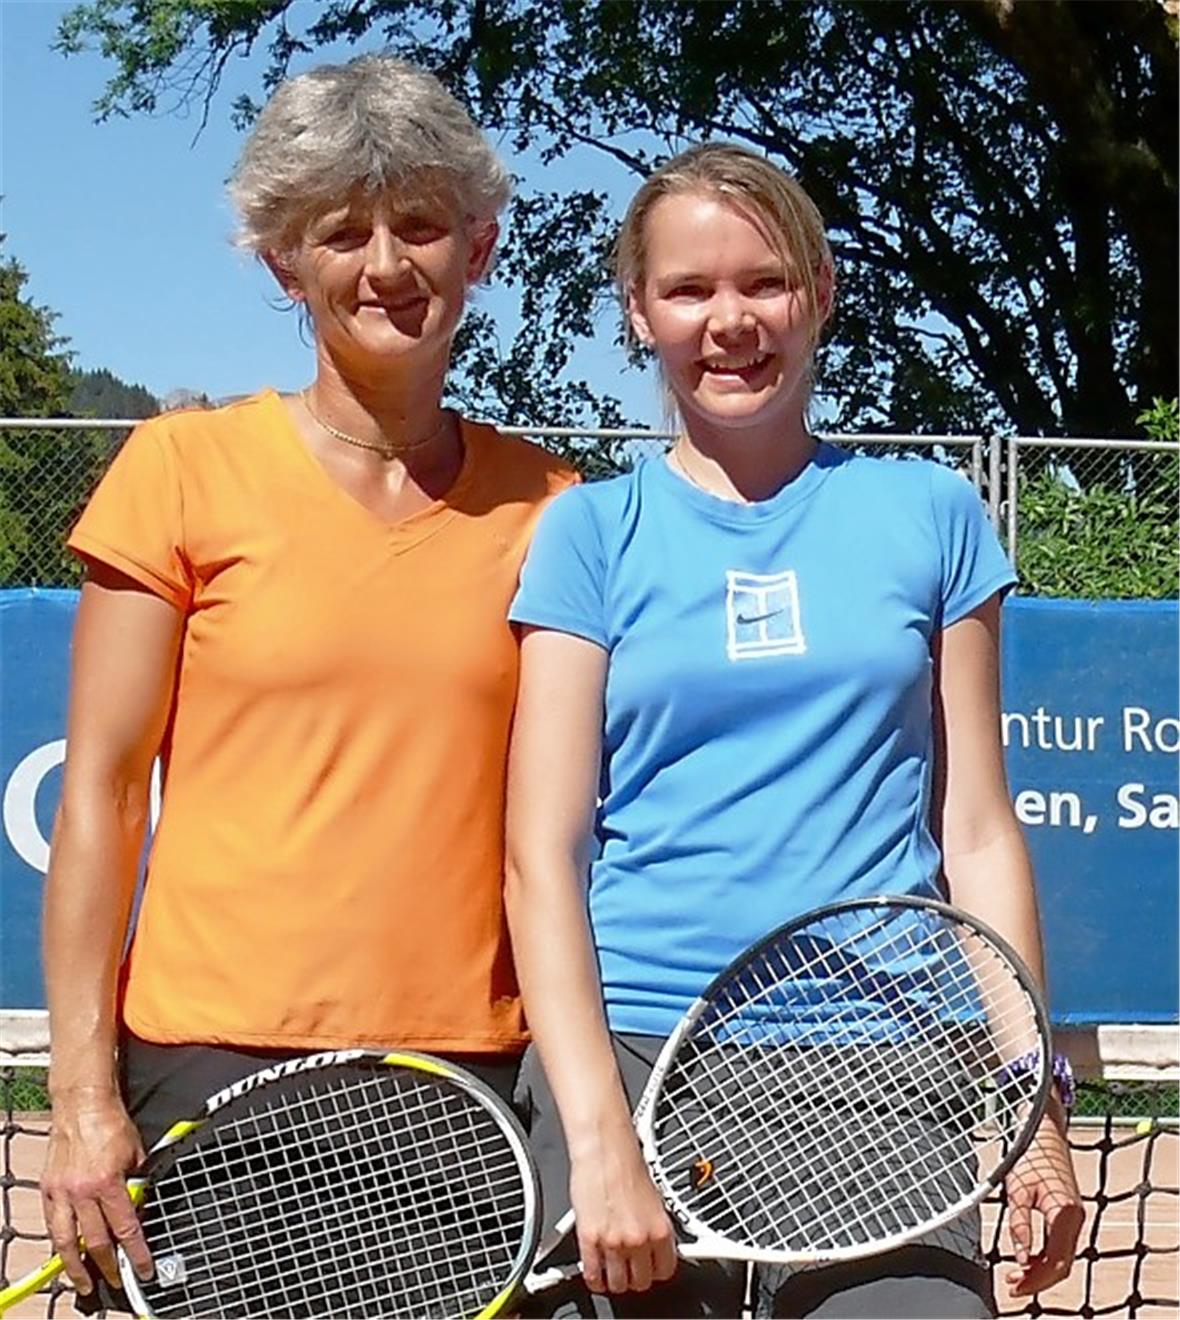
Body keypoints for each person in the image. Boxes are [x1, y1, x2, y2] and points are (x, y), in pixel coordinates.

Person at [505, 143, 1082, 1319]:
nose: (731, 322)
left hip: (878, 1059)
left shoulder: (929, 510)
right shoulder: (587, 533)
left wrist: (1036, 1110)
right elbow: (542, 856)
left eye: (763, 283)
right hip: (637, 1051)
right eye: (688, 291)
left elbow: (973, 829)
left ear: (817, 292)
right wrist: (599, 1136)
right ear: (638, 312)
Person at [39, 54, 575, 1307]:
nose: (387, 263)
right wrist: (79, 1097)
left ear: (479, 247)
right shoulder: (178, 469)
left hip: (466, 1088)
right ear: (286, 264)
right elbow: (104, 800)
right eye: (343, 231)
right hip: (207, 1072)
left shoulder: (563, 513)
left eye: (423, 224)